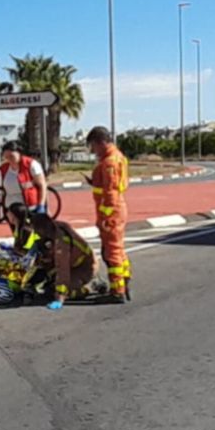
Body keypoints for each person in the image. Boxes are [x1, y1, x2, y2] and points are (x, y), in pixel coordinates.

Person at [85, 126, 131, 302]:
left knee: (111, 252)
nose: (93, 151)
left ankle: (117, 291)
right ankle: (124, 280)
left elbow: (110, 192)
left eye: (94, 146)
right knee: (118, 249)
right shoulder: (118, 157)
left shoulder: (109, 162)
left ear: (101, 142)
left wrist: (106, 217)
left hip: (111, 212)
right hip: (116, 209)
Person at [0, 141, 49, 213]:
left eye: (12, 156)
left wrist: (41, 205)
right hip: (11, 208)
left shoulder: (31, 164)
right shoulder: (4, 168)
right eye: (6, 157)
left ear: (19, 153)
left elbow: (42, 185)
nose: (9, 159)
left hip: (29, 207)